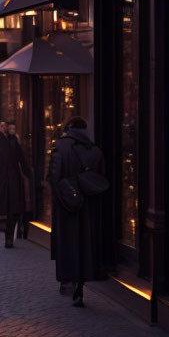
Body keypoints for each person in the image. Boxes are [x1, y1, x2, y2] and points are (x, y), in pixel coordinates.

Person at [48, 117, 106, 307]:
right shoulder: (95, 150)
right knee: (84, 246)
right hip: (87, 210)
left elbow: (53, 178)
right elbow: (100, 181)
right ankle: (80, 285)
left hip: (66, 207)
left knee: (68, 245)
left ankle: (70, 282)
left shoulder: (60, 148)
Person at [0, 120, 32, 248]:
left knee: (14, 210)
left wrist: (29, 175)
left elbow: (21, 159)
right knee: (4, 210)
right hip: (0, 181)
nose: (5, 128)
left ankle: (10, 235)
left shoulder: (13, 140)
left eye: (7, 125)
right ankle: (7, 236)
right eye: (3, 125)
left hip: (14, 181)